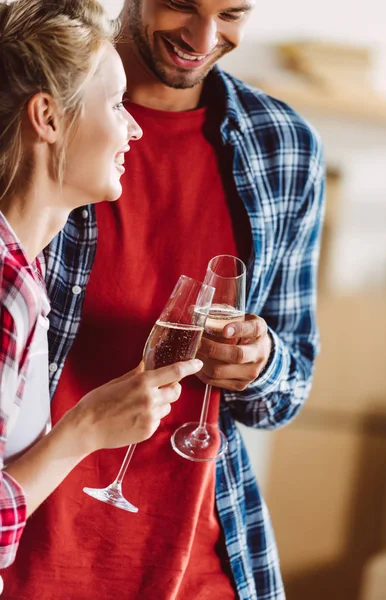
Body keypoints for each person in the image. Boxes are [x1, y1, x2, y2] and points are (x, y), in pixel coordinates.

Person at [2, 0, 325, 599]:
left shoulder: (284, 150)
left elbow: (289, 388)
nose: (203, 36)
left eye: (232, 14)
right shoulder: (43, 114)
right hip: (30, 546)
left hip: (199, 559)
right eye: (180, 4)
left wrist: (260, 364)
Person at [0, 0, 203, 580]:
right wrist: (85, 429)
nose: (134, 126)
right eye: (115, 104)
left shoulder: (26, 273)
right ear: (49, 118)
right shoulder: (8, 286)